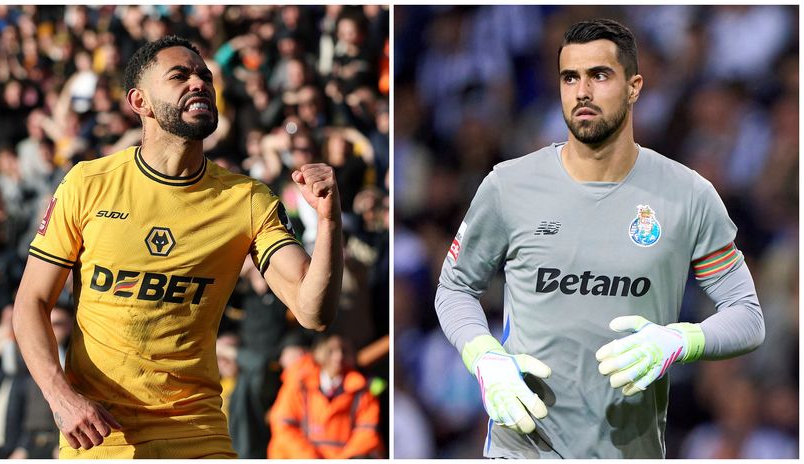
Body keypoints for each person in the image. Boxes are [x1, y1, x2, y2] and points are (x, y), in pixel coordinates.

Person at [434, 19, 764, 459]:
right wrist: (485, 358)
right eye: (570, 77)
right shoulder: (508, 186)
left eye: (599, 75)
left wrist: (680, 341)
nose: (582, 91)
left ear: (634, 87)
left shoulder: (688, 195)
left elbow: (747, 314)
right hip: (523, 448)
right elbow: (455, 287)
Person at [12, 35, 343, 459]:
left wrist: (329, 221)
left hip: (198, 437)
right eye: (180, 76)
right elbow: (31, 303)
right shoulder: (87, 183)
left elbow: (314, 311)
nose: (200, 83)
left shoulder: (248, 199)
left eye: (205, 76)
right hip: (101, 437)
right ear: (140, 102)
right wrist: (61, 399)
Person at [267, 333, 383, 459]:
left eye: (343, 350)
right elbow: (283, 427)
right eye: (331, 351)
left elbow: (367, 433)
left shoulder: (362, 390)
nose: (339, 356)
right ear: (318, 353)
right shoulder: (298, 384)